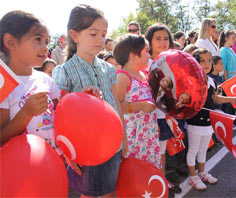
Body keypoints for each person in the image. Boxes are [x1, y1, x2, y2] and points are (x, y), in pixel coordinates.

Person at [52, 4, 128, 197]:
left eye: (103, 34)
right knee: (90, 194)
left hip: (112, 143)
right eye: (93, 34)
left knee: (111, 191)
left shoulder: (109, 69)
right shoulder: (64, 71)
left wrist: (124, 138)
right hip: (85, 148)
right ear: (75, 36)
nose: (101, 39)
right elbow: (59, 114)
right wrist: (69, 153)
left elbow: (116, 103)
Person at [0, 11, 61, 156]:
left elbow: (62, 113)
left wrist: (82, 99)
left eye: (47, 41)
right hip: (22, 168)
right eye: (38, 39)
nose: (46, 47)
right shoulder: (3, 84)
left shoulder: (46, 79)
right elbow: (1, 138)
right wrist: (26, 113)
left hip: (54, 162)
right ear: (10, 42)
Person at [186, 48, 236, 190]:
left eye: (209, 61)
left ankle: (202, 173)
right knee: (193, 149)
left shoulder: (212, 81)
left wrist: (232, 98)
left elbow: (215, 98)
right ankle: (192, 177)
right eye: (202, 61)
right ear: (194, 63)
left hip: (209, 120)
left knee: (204, 148)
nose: (206, 64)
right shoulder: (191, 81)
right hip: (195, 121)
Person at [145, 23, 183, 195]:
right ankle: (149, 184)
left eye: (166, 38)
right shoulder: (144, 62)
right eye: (157, 39)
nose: (162, 42)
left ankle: (162, 182)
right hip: (147, 117)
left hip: (165, 116)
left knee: (161, 152)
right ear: (149, 42)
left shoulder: (173, 61)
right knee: (149, 153)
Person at [113, 33, 161, 168]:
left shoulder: (143, 74)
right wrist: (140, 105)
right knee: (136, 171)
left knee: (148, 169)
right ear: (132, 55)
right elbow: (117, 107)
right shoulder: (123, 77)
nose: (149, 55)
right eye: (146, 51)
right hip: (134, 137)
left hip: (148, 134)